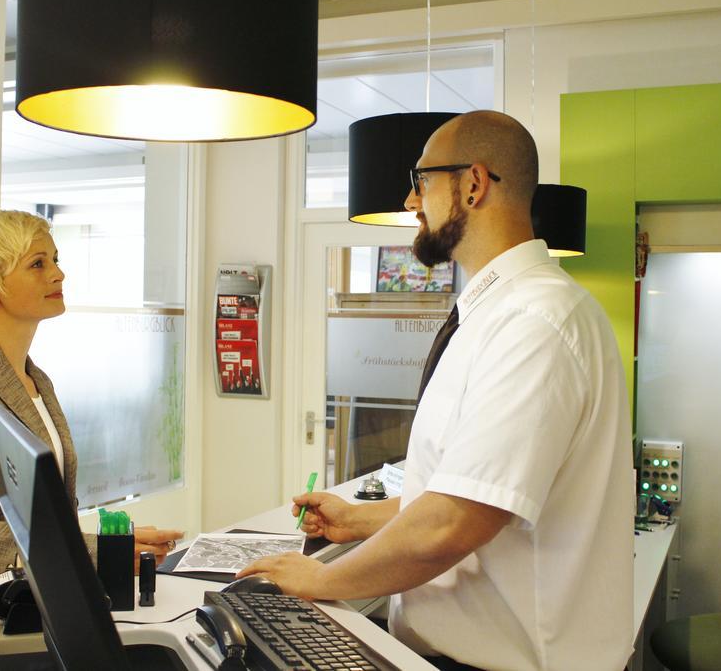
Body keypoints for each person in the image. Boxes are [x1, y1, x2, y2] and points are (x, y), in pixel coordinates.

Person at [238, 111, 633, 670]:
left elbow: (454, 522)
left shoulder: (534, 321)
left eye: (421, 180)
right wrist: (356, 520)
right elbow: (468, 491)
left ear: (473, 184)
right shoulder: (502, 313)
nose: (408, 201)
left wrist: (322, 579)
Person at [0, 210, 183, 597]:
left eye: (55, 260)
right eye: (38, 264)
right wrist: (98, 553)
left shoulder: (37, 379)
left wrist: (111, 545)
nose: (58, 274)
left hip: (53, 597)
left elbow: (48, 518)